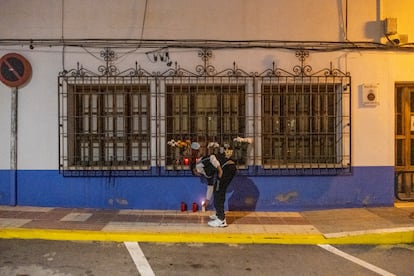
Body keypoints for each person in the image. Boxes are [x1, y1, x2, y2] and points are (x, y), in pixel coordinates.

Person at [208, 148, 237, 227]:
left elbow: (213, 159)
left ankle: (221, 219)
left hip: (226, 169)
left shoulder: (203, 163)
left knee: (218, 192)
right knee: (218, 191)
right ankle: (218, 214)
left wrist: (220, 171)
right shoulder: (205, 164)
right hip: (229, 168)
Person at [190, 142, 221, 211]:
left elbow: (212, 157)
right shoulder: (206, 173)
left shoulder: (202, 161)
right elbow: (210, 186)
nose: (197, 174)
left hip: (218, 169)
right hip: (211, 172)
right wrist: (207, 200)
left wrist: (219, 170)